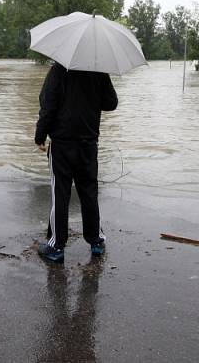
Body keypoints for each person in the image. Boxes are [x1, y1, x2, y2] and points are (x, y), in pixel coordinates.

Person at [35, 62, 118, 263]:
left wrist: (40, 135)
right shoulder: (98, 70)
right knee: (89, 192)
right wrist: (91, 96)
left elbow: (47, 104)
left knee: (60, 194)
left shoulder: (58, 70)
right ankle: (96, 242)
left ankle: (56, 247)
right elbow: (111, 103)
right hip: (88, 143)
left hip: (62, 144)